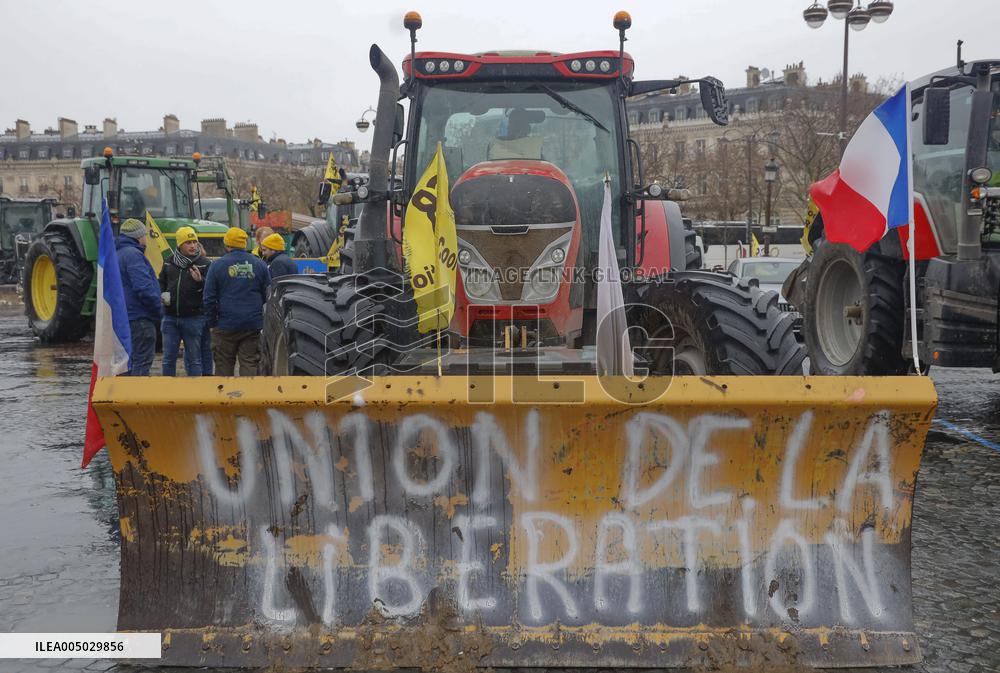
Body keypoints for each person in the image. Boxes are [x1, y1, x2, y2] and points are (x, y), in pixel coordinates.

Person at [203, 227, 270, 376]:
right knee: (249, 363)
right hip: (252, 325)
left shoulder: (216, 266)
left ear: (227, 245)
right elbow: (268, 295)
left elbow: (208, 298)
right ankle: (248, 397)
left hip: (225, 325)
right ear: (245, 244)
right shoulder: (260, 265)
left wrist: (212, 323)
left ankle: (225, 398)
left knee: (223, 367)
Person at [159, 226, 211, 376]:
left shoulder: (204, 263)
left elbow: (211, 289)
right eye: (188, 242)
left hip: (194, 318)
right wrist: (161, 294)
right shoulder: (169, 262)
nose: (193, 246)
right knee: (168, 358)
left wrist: (201, 280)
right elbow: (161, 281)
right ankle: (167, 392)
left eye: (195, 242)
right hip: (170, 318)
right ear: (180, 245)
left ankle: (196, 394)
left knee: (194, 359)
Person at [116, 218, 162, 376]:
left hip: (123, 317)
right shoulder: (134, 255)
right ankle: (135, 399)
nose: (145, 239)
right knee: (142, 362)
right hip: (139, 317)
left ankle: (122, 397)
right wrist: (158, 309)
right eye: (144, 235)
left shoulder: (117, 254)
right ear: (138, 237)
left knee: (126, 363)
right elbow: (143, 287)